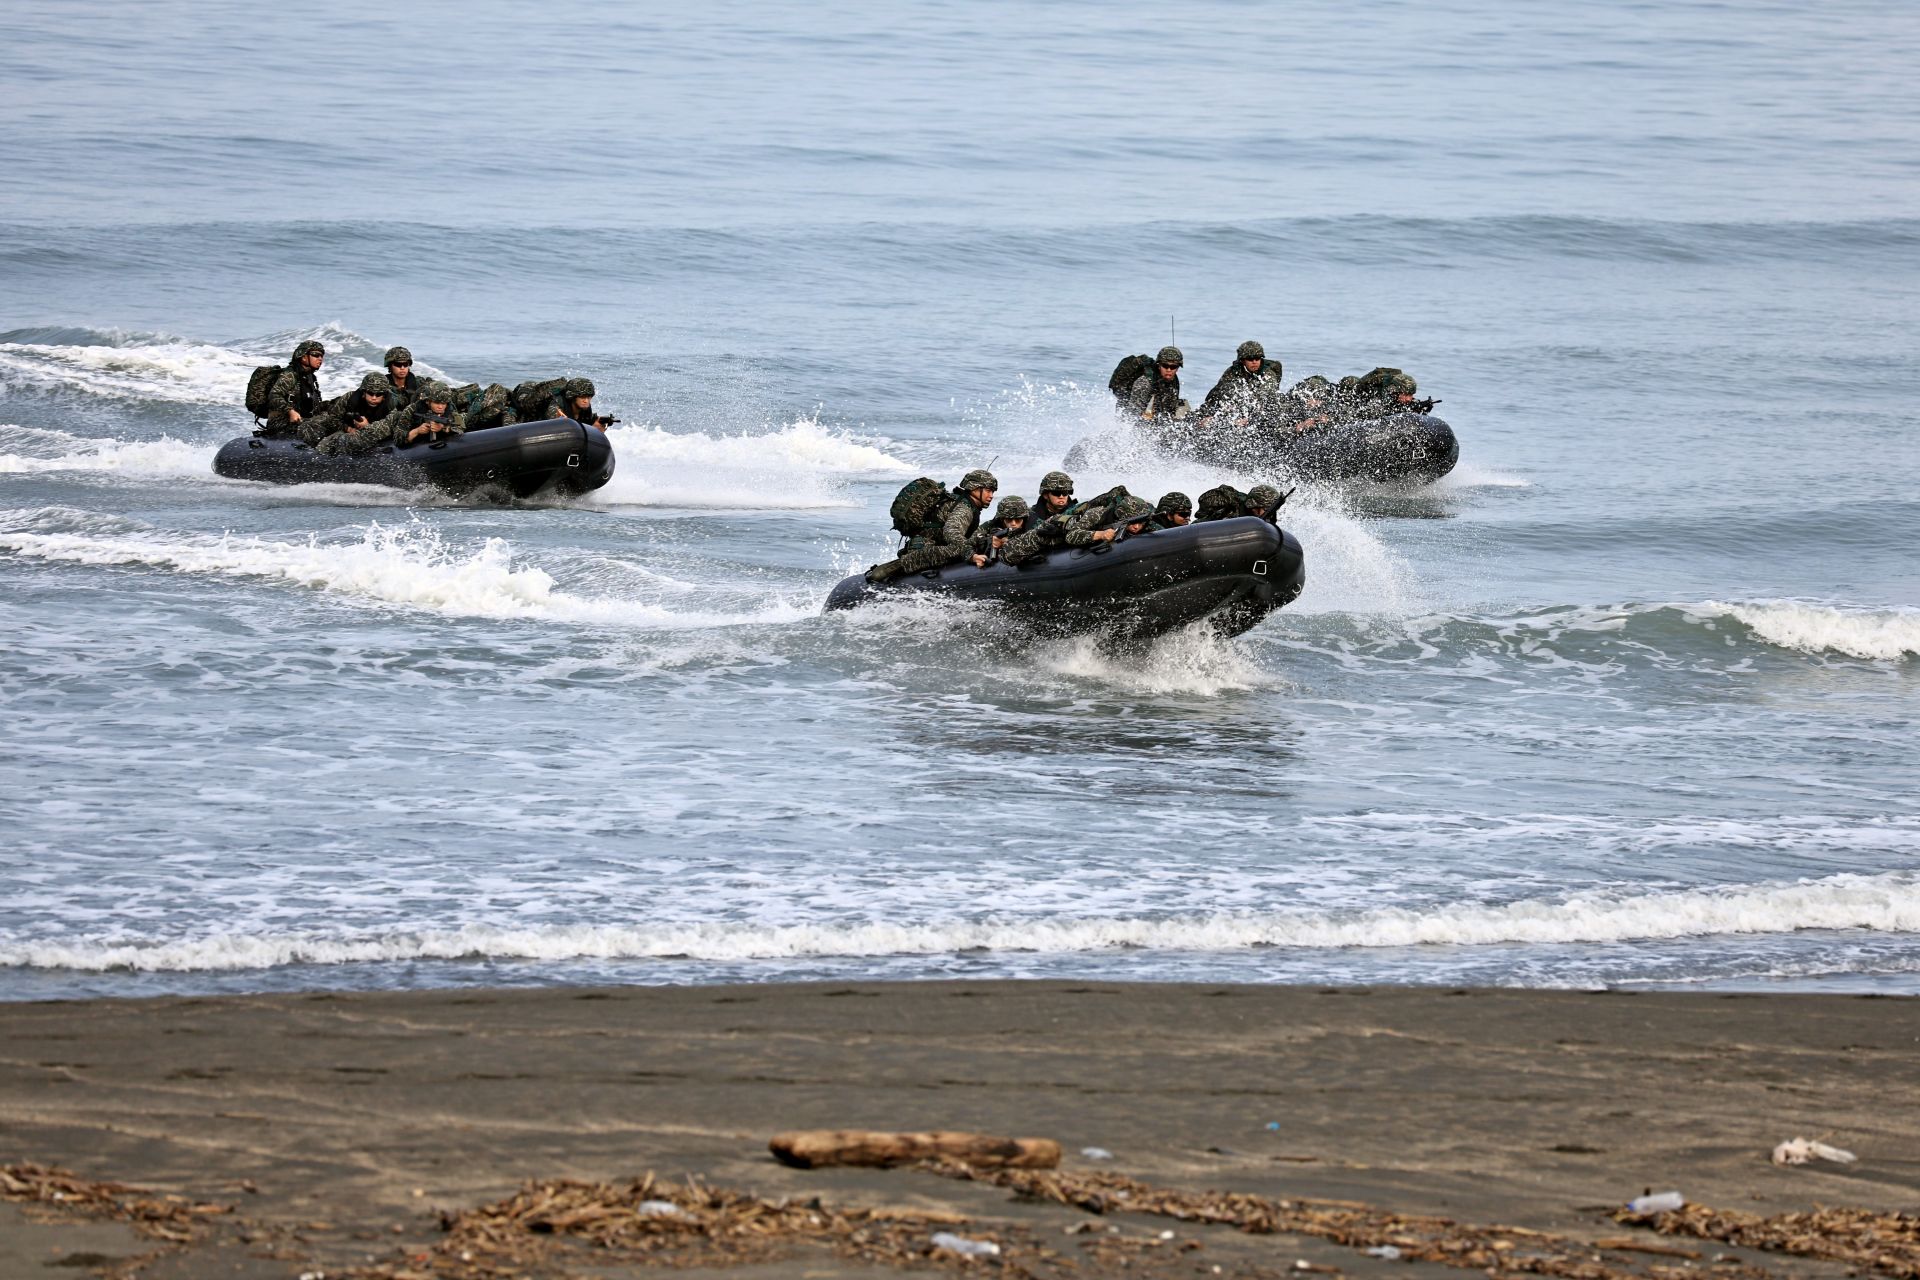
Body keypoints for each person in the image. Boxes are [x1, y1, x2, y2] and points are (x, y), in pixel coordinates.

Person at [865, 469, 998, 583]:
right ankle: (892, 568)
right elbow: (951, 531)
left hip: (927, 545)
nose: (991, 496)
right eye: (988, 491)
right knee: (959, 549)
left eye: (993, 491)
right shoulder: (964, 509)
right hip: (926, 550)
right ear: (974, 488)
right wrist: (970, 555)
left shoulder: (962, 503)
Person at [317, 380, 464, 455]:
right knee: (366, 435)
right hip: (398, 430)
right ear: (427, 401)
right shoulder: (412, 410)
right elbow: (399, 438)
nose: (441, 407)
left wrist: (444, 428)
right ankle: (333, 444)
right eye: (437, 403)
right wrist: (418, 431)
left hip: (435, 445)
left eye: (444, 403)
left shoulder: (449, 411)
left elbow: (462, 430)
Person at [1001, 484, 1133, 565]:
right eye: (1057, 493)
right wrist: (1101, 535)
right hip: (1050, 534)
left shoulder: (1077, 510)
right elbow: (1071, 535)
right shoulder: (1032, 516)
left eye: (1065, 493)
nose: (1062, 496)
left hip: (1066, 530)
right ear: (1046, 495)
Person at [1197, 340, 1285, 427]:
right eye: (1250, 359)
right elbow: (1218, 392)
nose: (1254, 362)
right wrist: (1207, 414)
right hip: (1242, 408)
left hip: (1264, 409)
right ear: (1243, 360)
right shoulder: (1233, 372)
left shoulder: (1268, 373)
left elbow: (1264, 394)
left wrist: (1249, 418)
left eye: (1257, 358)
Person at [300, 372, 395, 445]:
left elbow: (393, 426)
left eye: (378, 394)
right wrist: (348, 429)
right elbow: (332, 420)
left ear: (384, 395)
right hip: (342, 421)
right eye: (370, 393)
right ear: (364, 392)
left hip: (372, 430)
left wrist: (368, 427)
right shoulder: (349, 398)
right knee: (311, 425)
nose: (374, 398)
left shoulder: (391, 405)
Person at [263, 340, 326, 437]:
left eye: (321, 356)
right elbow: (274, 396)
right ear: (304, 357)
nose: (320, 359)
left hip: (302, 421)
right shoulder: (290, 375)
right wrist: (290, 412)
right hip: (282, 423)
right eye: (316, 355)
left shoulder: (310, 377)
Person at [512, 376, 615, 430]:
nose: (586, 401)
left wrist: (597, 425)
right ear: (572, 396)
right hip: (527, 417)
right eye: (582, 397)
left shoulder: (585, 409)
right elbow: (552, 422)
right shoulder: (556, 404)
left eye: (589, 397)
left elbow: (584, 422)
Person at [1126, 346, 1187, 422]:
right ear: (1159, 365)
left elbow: (1170, 409)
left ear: (1178, 368)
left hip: (1154, 413)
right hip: (1130, 412)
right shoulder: (1145, 383)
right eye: (1165, 366)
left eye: (1173, 367)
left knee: (1184, 408)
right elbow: (1131, 415)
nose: (1169, 370)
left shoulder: (1173, 380)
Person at [968, 494, 1030, 565]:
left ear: (1024, 518)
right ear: (1002, 519)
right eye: (1008, 520)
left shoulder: (1032, 524)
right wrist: (974, 557)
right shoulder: (990, 525)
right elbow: (967, 544)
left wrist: (1008, 542)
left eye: (1018, 520)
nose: (1013, 523)